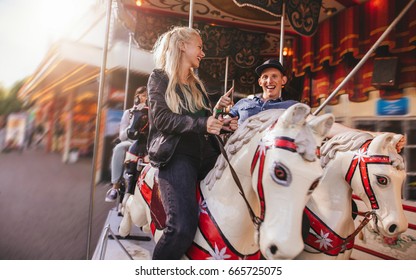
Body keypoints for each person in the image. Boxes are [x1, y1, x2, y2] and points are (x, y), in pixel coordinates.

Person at [146, 26, 237, 260]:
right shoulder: (159, 77)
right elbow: (161, 119)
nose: (202, 53)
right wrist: (202, 124)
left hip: (204, 154)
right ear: (182, 46)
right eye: (199, 46)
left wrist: (222, 123)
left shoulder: (196, 85)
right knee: (181, 229)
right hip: (177, 156)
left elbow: (205, 120)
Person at [215, 58, 406, 152]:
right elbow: (221, 124)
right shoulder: (244, 103)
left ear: (283, 80)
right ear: (259, 82)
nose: (269, 80)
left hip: (268, 159)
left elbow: (327, 126)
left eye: (274, 76)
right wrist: (223, 118)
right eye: (264, 77)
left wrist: (375, 136)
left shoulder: (291, 107)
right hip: (238, 156)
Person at [105, 86, 148, 202]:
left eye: (147, 96)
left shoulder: (151, 112)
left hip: (146, 143)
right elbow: (122, 136)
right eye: (143, 95)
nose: (146, 98)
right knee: (119, 147)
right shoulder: (128, 113)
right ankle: (115, 186)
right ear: (137, 97)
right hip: (131, 142)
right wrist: (134, 123)